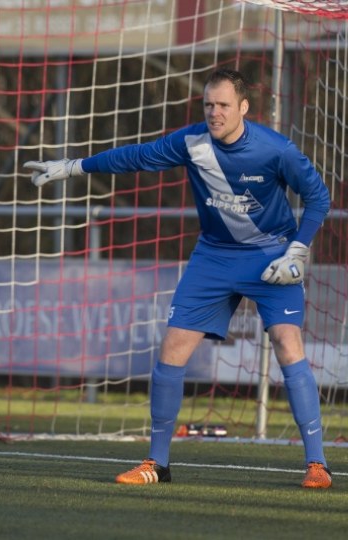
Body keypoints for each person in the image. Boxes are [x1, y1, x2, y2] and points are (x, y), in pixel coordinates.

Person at [24, 68, 332, 489]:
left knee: (286, 342)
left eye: (223, 105)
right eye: (208, 104)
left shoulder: (276, 150)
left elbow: (318, 198)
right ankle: (158, 463)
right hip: (214, 257)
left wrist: (298, 249)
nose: (214, 112)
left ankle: (317, 465)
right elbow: (135, 156)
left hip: (270, 255)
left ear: (243, 107)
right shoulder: (192, 142)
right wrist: (74, 166)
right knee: (172, 348)